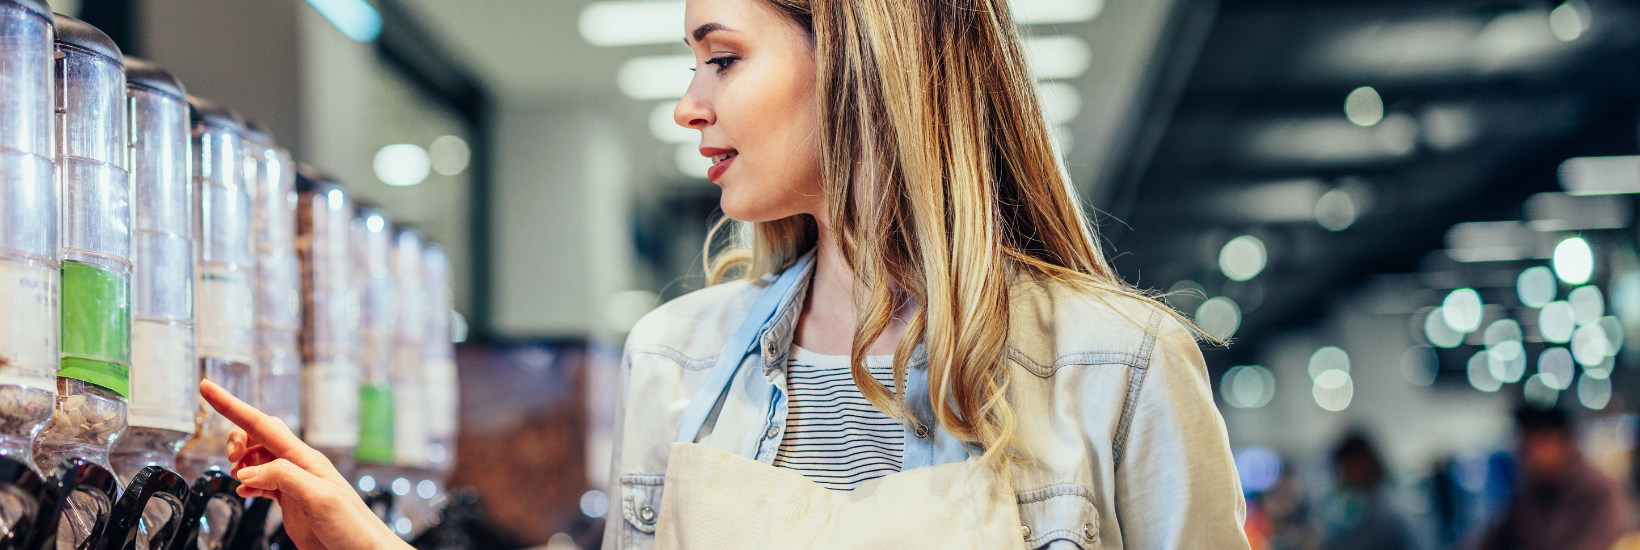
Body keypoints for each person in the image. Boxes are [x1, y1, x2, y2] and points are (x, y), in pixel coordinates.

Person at [197, 0, 1251, 548]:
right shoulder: (677, 357)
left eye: (722, 57)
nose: (687, 105)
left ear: (855, 54)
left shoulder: (1120, 366)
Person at [1477, 405, 1636, 550]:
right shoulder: (1527, 493)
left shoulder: (1600, 491)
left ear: (1566, 441)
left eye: (1541, 441)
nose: (1531, 452)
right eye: (1526, 442)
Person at [1318, 433, 1414, 550]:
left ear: (1361, 461)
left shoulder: (1384, 502)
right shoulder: (1381, 494)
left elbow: (1363, 539)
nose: (1346, 477)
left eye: (1347, 467)